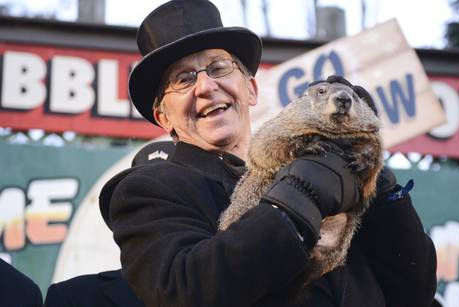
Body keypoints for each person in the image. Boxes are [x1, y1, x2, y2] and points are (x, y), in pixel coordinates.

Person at [99, 0, 437, 306]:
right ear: (163, 117)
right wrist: (299, 198)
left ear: (251, 88)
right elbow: (183, 291)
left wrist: (377, 181)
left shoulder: (330, 160)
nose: (205, 87)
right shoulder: (147, 191)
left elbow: (414, 290)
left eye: (218, 68)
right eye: (184, 79)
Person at [44, 141, 176, 307]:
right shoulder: (75, 298)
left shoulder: (217, 294)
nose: (156, 215)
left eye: (173, 199)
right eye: (141, 202)